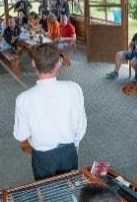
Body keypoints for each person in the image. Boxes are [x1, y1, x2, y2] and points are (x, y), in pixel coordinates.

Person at [13, 43, 87, 180]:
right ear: (59, 64)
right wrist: (73, 145)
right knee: (70, 188)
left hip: (42, 157)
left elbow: (20, 134)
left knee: (46, 194)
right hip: (69, 152)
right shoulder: (74, 88)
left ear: (34, 64)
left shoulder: (23, 99)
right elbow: (81, 126)